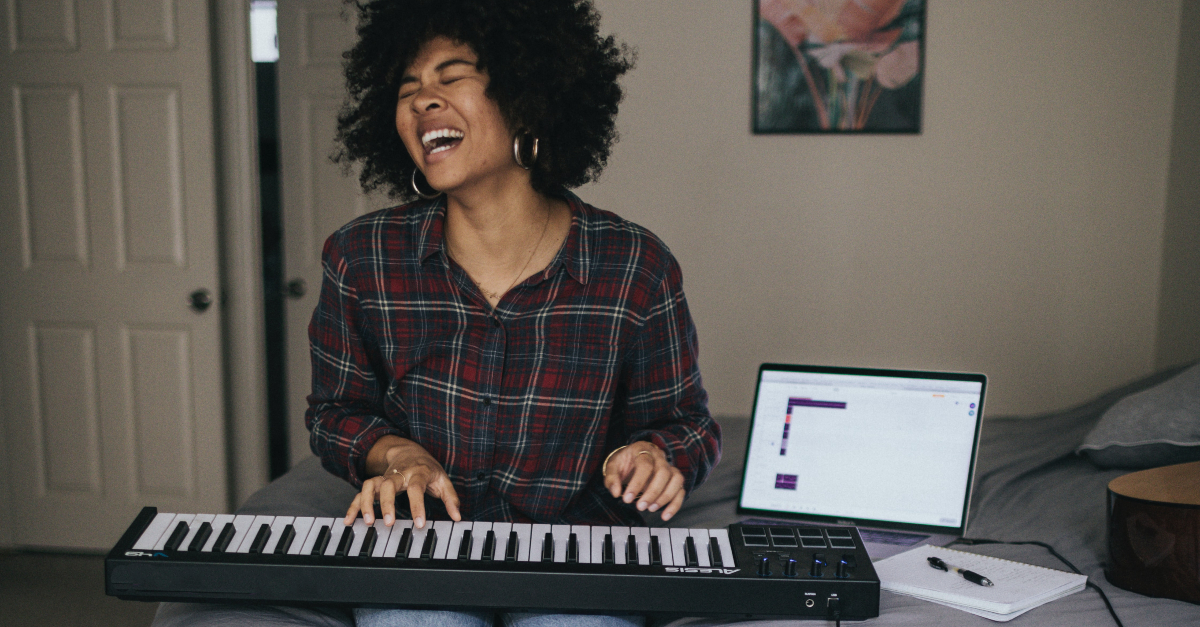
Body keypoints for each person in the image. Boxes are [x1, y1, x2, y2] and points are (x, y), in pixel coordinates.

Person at [307, 1, 721, 625]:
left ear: (527, 96)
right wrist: (398, 457)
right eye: (408, 89)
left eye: (451, 77)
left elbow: (687, 422)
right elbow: (335, 413)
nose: (424, 101)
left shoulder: (633, 265)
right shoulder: (361, 258)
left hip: (580, 558)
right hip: (423, 553)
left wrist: (649, 457)